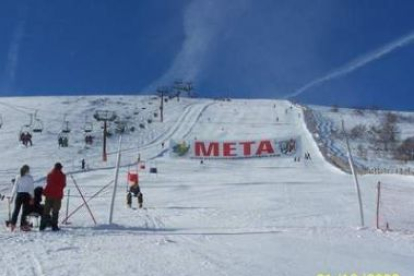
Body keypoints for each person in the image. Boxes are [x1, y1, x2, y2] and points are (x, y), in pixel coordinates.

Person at [40, 163, 66, 231]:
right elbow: (63, 185)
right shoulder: (62, 175)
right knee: (55, 211)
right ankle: (54, 226)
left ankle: (42, 226)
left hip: (49, 194)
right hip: (57, 195)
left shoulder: (50, 174)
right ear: (60, 168)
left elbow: (48, 182)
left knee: (46, 211)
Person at [9, 165, 34, 231]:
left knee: (16, 210)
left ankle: (12, 225)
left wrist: (12, 197)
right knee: (25, 211)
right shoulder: (30, 178)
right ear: (27, 170)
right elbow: (31, 189)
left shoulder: (18, 177)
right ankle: (23, 226)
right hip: (26, 195)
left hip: (19, 195)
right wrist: (32, 198)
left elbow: (15, 188)